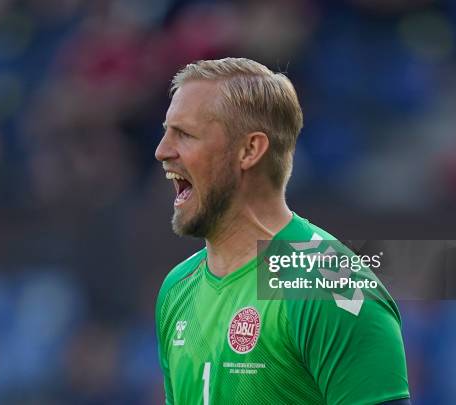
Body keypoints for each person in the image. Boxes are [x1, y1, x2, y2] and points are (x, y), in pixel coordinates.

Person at [154, 58, 410, 405]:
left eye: (184, 134)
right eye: (167, 131)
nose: (162, 151)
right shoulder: (177, 288)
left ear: (249, 150)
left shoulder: (330, 286)